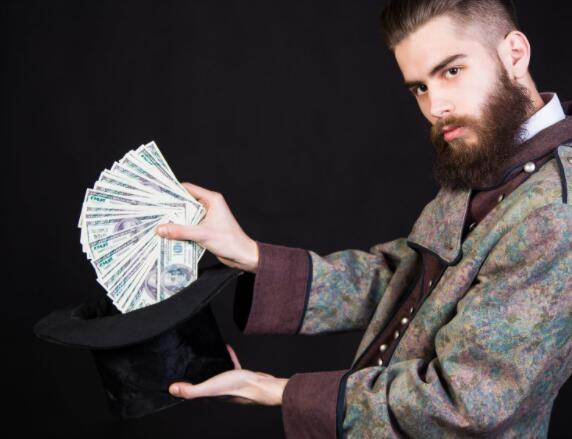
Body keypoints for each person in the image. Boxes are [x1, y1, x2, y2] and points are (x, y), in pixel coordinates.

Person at [156, 0, 572, 437]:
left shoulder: (557, 215)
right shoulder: (485, 152)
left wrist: (279, 391)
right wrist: (251, 255)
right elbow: (401, 280)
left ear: (514, 54)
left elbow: (468, 402)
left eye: (452, 71)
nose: (436, 107)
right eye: (419, 87)